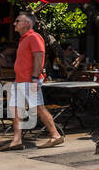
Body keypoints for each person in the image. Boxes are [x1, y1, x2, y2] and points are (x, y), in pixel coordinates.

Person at [7, 11, 63, 150]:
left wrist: (34, 78)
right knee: (15, 109)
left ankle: (55, 135)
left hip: (29, 80)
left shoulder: (34, 37)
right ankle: (17, 140)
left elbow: (39, 58)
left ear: (27, 23)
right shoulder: (23, 39)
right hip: (20, 80)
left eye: (18, 21)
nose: (15, 23)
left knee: (38, 107)